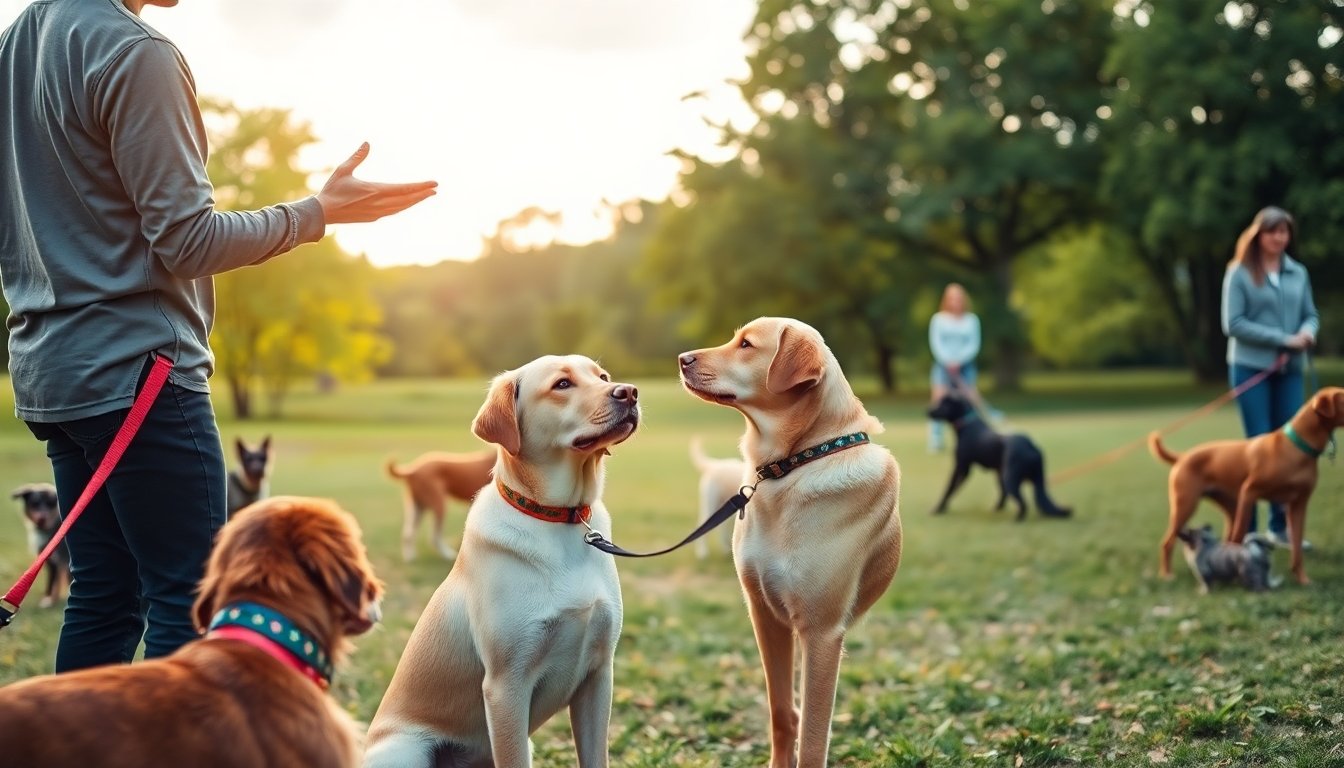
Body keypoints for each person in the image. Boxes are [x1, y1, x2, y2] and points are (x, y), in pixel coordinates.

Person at [0, 0, 436, 672]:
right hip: (137, 375)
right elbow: (188, 240)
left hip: (53, 374)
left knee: (105, 594)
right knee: (189, 595)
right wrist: (317, 213)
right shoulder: (136, 52)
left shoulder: (17, 44)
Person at [1221, 205, 1319, 546]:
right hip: (1251, 370)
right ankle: (1249, 530)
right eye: (1272, 231)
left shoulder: (1298, 273)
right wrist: (1283, 339)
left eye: (1284, 232)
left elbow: (1310, 314)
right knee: (1259, 448)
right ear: (1258, 235)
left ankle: (1280, 527)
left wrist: (1308, 332)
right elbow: (1232, 324)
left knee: (1290, 451)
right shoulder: (1240, 272)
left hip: (1290, 371)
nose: (1279, 238)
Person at [927, 283, 995, 452]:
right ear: (947, 300)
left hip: (965, 366)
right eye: (952, 298)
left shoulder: (971, 320)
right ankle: (936, 439)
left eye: (958, 298)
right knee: (939, 400)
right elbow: (936, 343)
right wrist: (948, 361)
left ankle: (981, 434)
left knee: (971, 399)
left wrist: (959, 361)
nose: (955, 302)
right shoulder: (939, 319)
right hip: (943, 366)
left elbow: (974, 344)